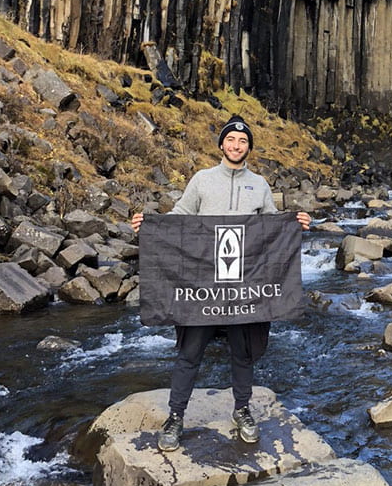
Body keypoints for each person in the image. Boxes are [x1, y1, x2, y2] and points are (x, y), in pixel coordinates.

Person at [131, 114, 311, 450]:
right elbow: (181, 217)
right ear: (221, 145)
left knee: (242, 353)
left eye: (243, 141)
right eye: (231, 140)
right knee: (189, 352)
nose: (236, 145)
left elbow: (271, 227)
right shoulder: (202, 180)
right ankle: (175, 417)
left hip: (245, 285)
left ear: (249, 148)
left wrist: (295, 223)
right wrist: (152, 225)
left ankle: (242, 410)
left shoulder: (259, 184)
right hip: (203, 284)